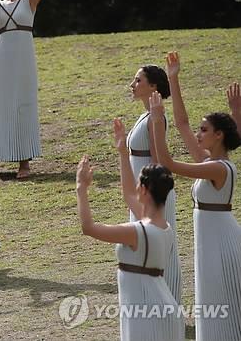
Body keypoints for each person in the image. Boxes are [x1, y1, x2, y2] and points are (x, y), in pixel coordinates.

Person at [151, 52, 241, 340]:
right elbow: (182, 123)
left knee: (220, 303)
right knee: (213, 303)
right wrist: (174, 79)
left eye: (205, 130)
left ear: (219, 137)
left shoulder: (217, 168)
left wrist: (155, 124)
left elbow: (169, 164)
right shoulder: (208, 161)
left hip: (221, 243)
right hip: (210, 240)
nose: (198, 134)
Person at [77, 131, 184, 340]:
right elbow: (128, 195)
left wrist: (81, 189)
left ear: (144, 190)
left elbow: (88, 227)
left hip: (145, 314)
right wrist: (123, 154)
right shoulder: (165, 228)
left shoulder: (136, 232)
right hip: (160, 308)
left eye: (138, 185)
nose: (135, 189)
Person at [126, 64, 182, 302]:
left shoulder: (156, 118)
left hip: (154, 195)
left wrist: (149, 196)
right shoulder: (146, 115)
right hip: (142, 194)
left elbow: (159, 162)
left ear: (153, 87)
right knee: (142, 245)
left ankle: (165, 301)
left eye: (138, 80)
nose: (132, 84)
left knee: (158, 245)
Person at [0, 0, 46, 179]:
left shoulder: (29, 1)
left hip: (23, 62)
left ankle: (24, 162)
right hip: (1, 62)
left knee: (23, 105)